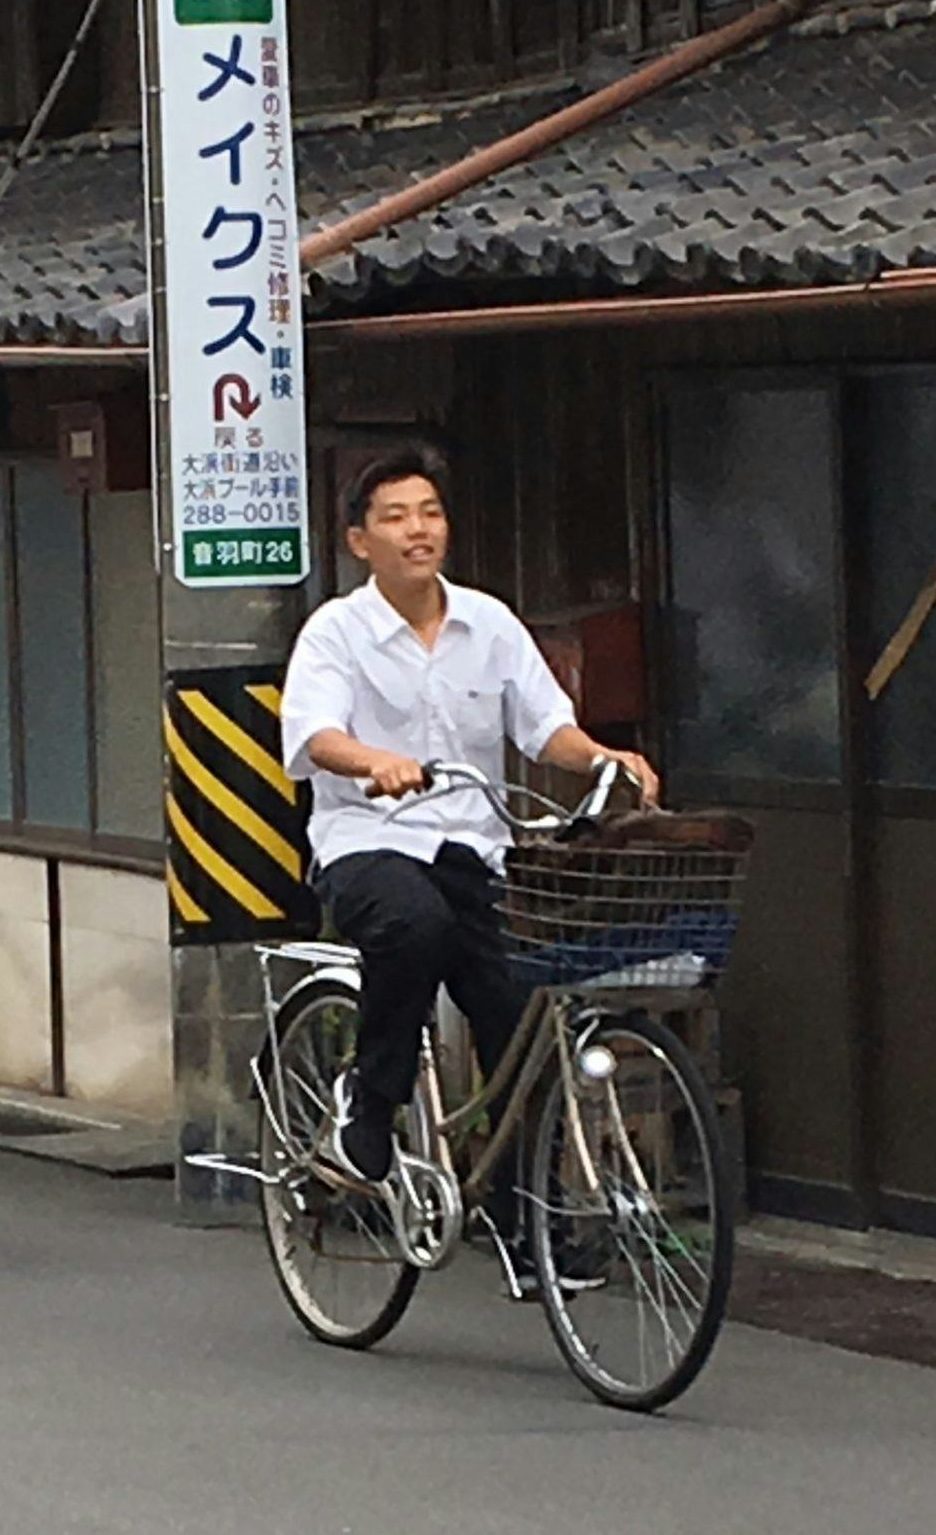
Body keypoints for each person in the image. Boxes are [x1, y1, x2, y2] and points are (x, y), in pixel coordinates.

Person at [278, 445, 657, 1294]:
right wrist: (374, 759)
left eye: (431, 512)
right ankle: (367, 1114)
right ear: (359, 541)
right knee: (414, 926)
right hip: (370, 840)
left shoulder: (489, 623)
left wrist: (599, 755)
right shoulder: (336, 631)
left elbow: (545, 729)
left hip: (476, 847)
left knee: (523, 1016)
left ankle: (529, 1222)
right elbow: (312, 738)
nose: (419, 530)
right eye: (396, 517)